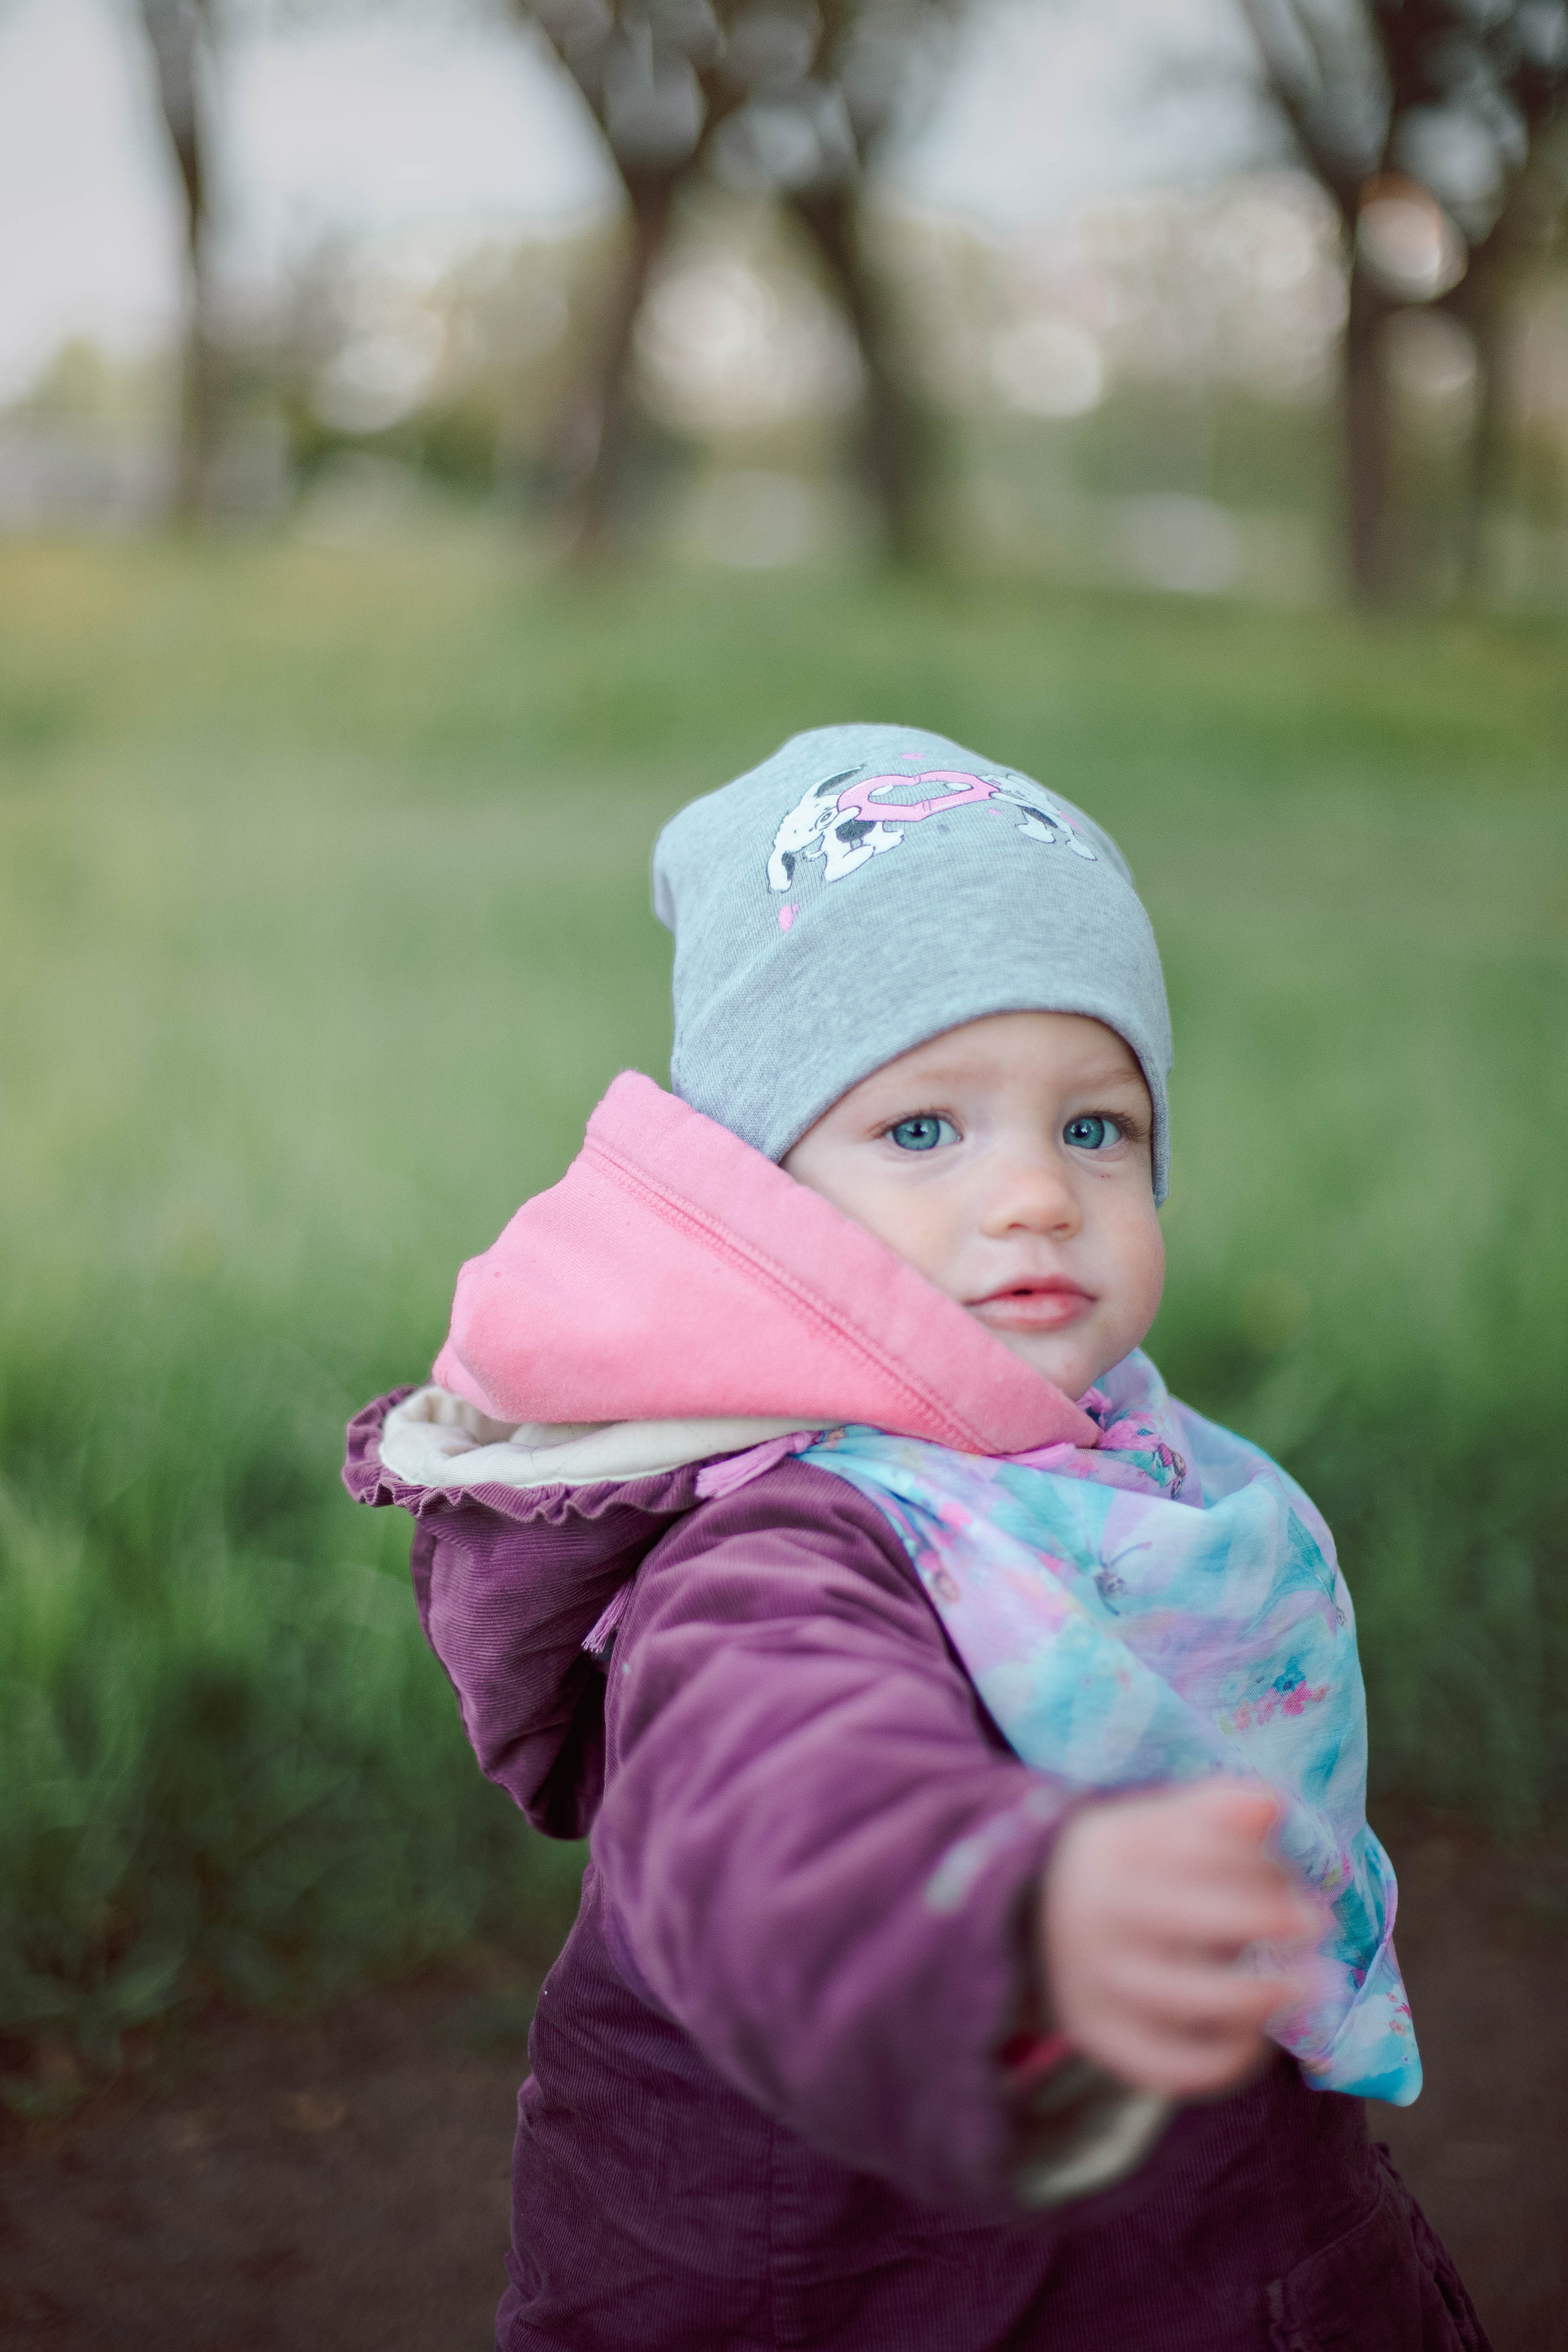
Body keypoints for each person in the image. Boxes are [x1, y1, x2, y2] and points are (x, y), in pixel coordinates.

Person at [344, 723, 1488, 2352]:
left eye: (1095, 1128)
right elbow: (782, 1799)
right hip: (847, 2275)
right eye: (926, 1131)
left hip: (1211, 2242)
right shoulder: (780, 1539)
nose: (1036, 1193)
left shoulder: (1127, 1469)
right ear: (769, 1202)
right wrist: (998, 1908)